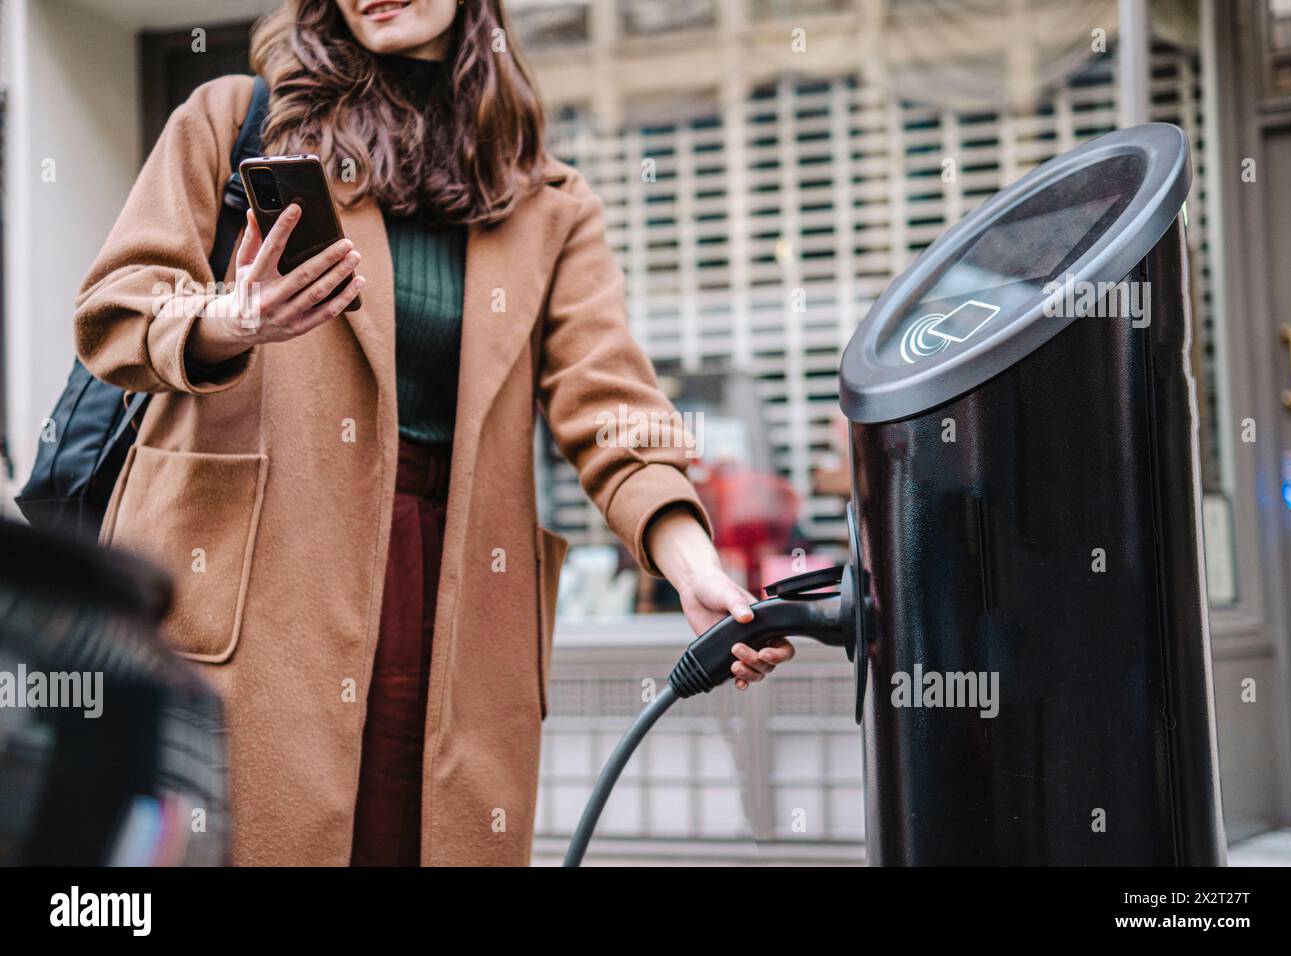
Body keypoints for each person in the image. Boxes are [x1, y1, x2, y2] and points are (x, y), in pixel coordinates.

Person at [74, 0, 794, 866]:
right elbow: (116, 310)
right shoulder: (236, 121)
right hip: (259, 591)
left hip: (454, 594)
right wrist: (230, 320)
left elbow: (611, 406)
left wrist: (691, 563)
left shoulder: (548, 203)